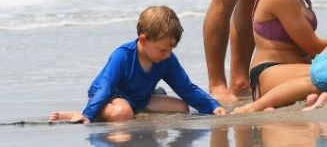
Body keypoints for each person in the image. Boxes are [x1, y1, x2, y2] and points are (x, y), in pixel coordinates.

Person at [49, 6, 225, 123]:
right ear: (143, 40)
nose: (168, 54)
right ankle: (78, 113)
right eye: (163, 49)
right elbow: (106, 88)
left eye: (171, 49)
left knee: (181, 108)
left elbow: (186, 89)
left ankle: (147, 101)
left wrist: (213, 106)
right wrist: (88, 115)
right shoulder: (123, 55)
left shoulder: (166, 59)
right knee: (123, 114)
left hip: (140, 99)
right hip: (111, 96)